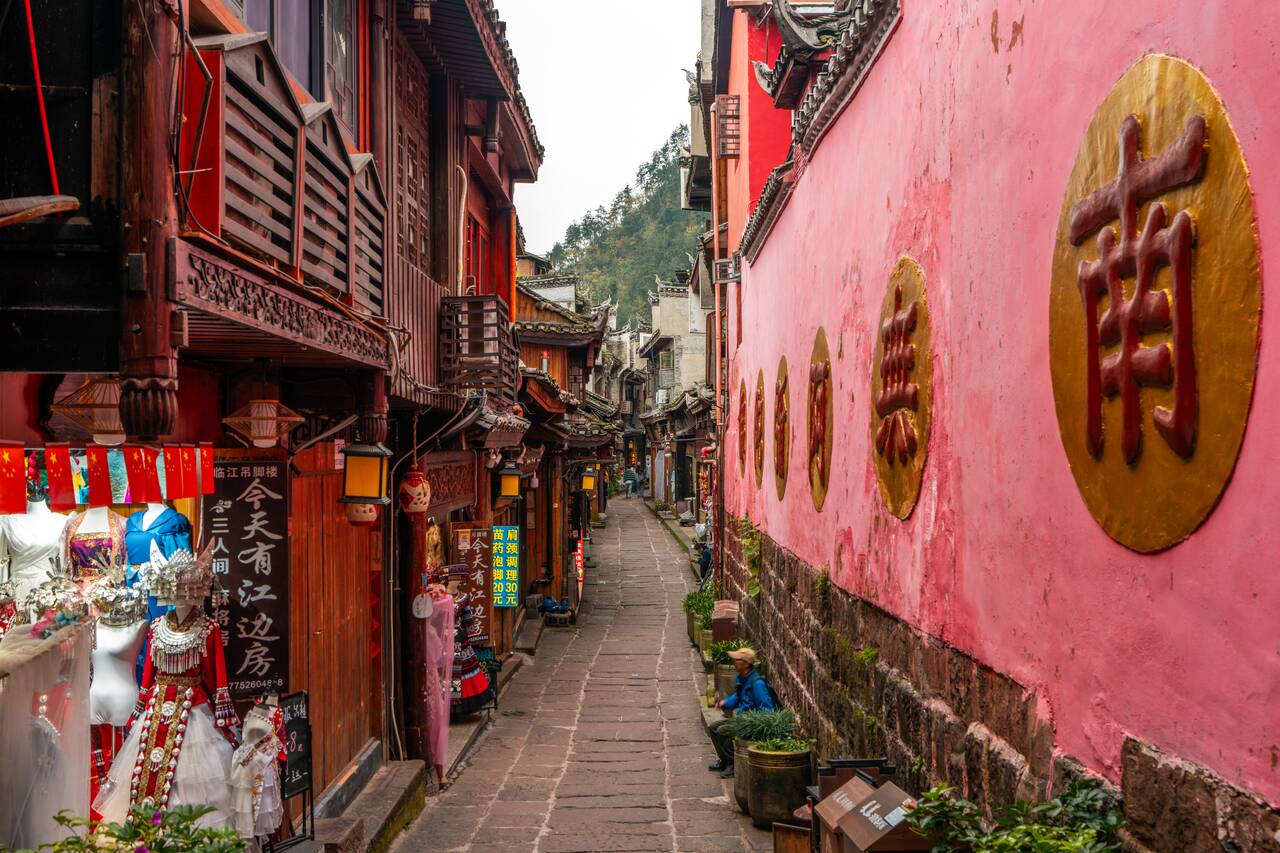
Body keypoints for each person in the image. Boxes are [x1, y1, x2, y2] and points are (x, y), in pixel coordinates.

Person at [707, 647, 775, 777]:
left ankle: (733, 765)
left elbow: (768, 710)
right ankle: (725, 760)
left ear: (745, 663)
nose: (733, 661)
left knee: (723, 731)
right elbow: (738, 697)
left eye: (737, 659)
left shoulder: (757, 684)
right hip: (742, 719)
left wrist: (750, 719)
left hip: (751, 723)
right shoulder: (743, 678)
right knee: (713, 727)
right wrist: (725, 703)